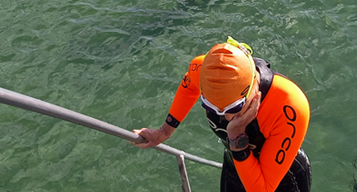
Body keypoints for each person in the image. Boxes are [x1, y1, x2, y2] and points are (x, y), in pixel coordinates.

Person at [133, 37, 312, 192]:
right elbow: (189, 88)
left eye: (233, 108)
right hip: (234, 165)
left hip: (281, 181)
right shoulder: (206, 71)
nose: (226, 118)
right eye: (212, 107)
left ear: (253, 93)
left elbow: (262, 189)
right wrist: (164, 131)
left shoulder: (289, 105)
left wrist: (236, 138)